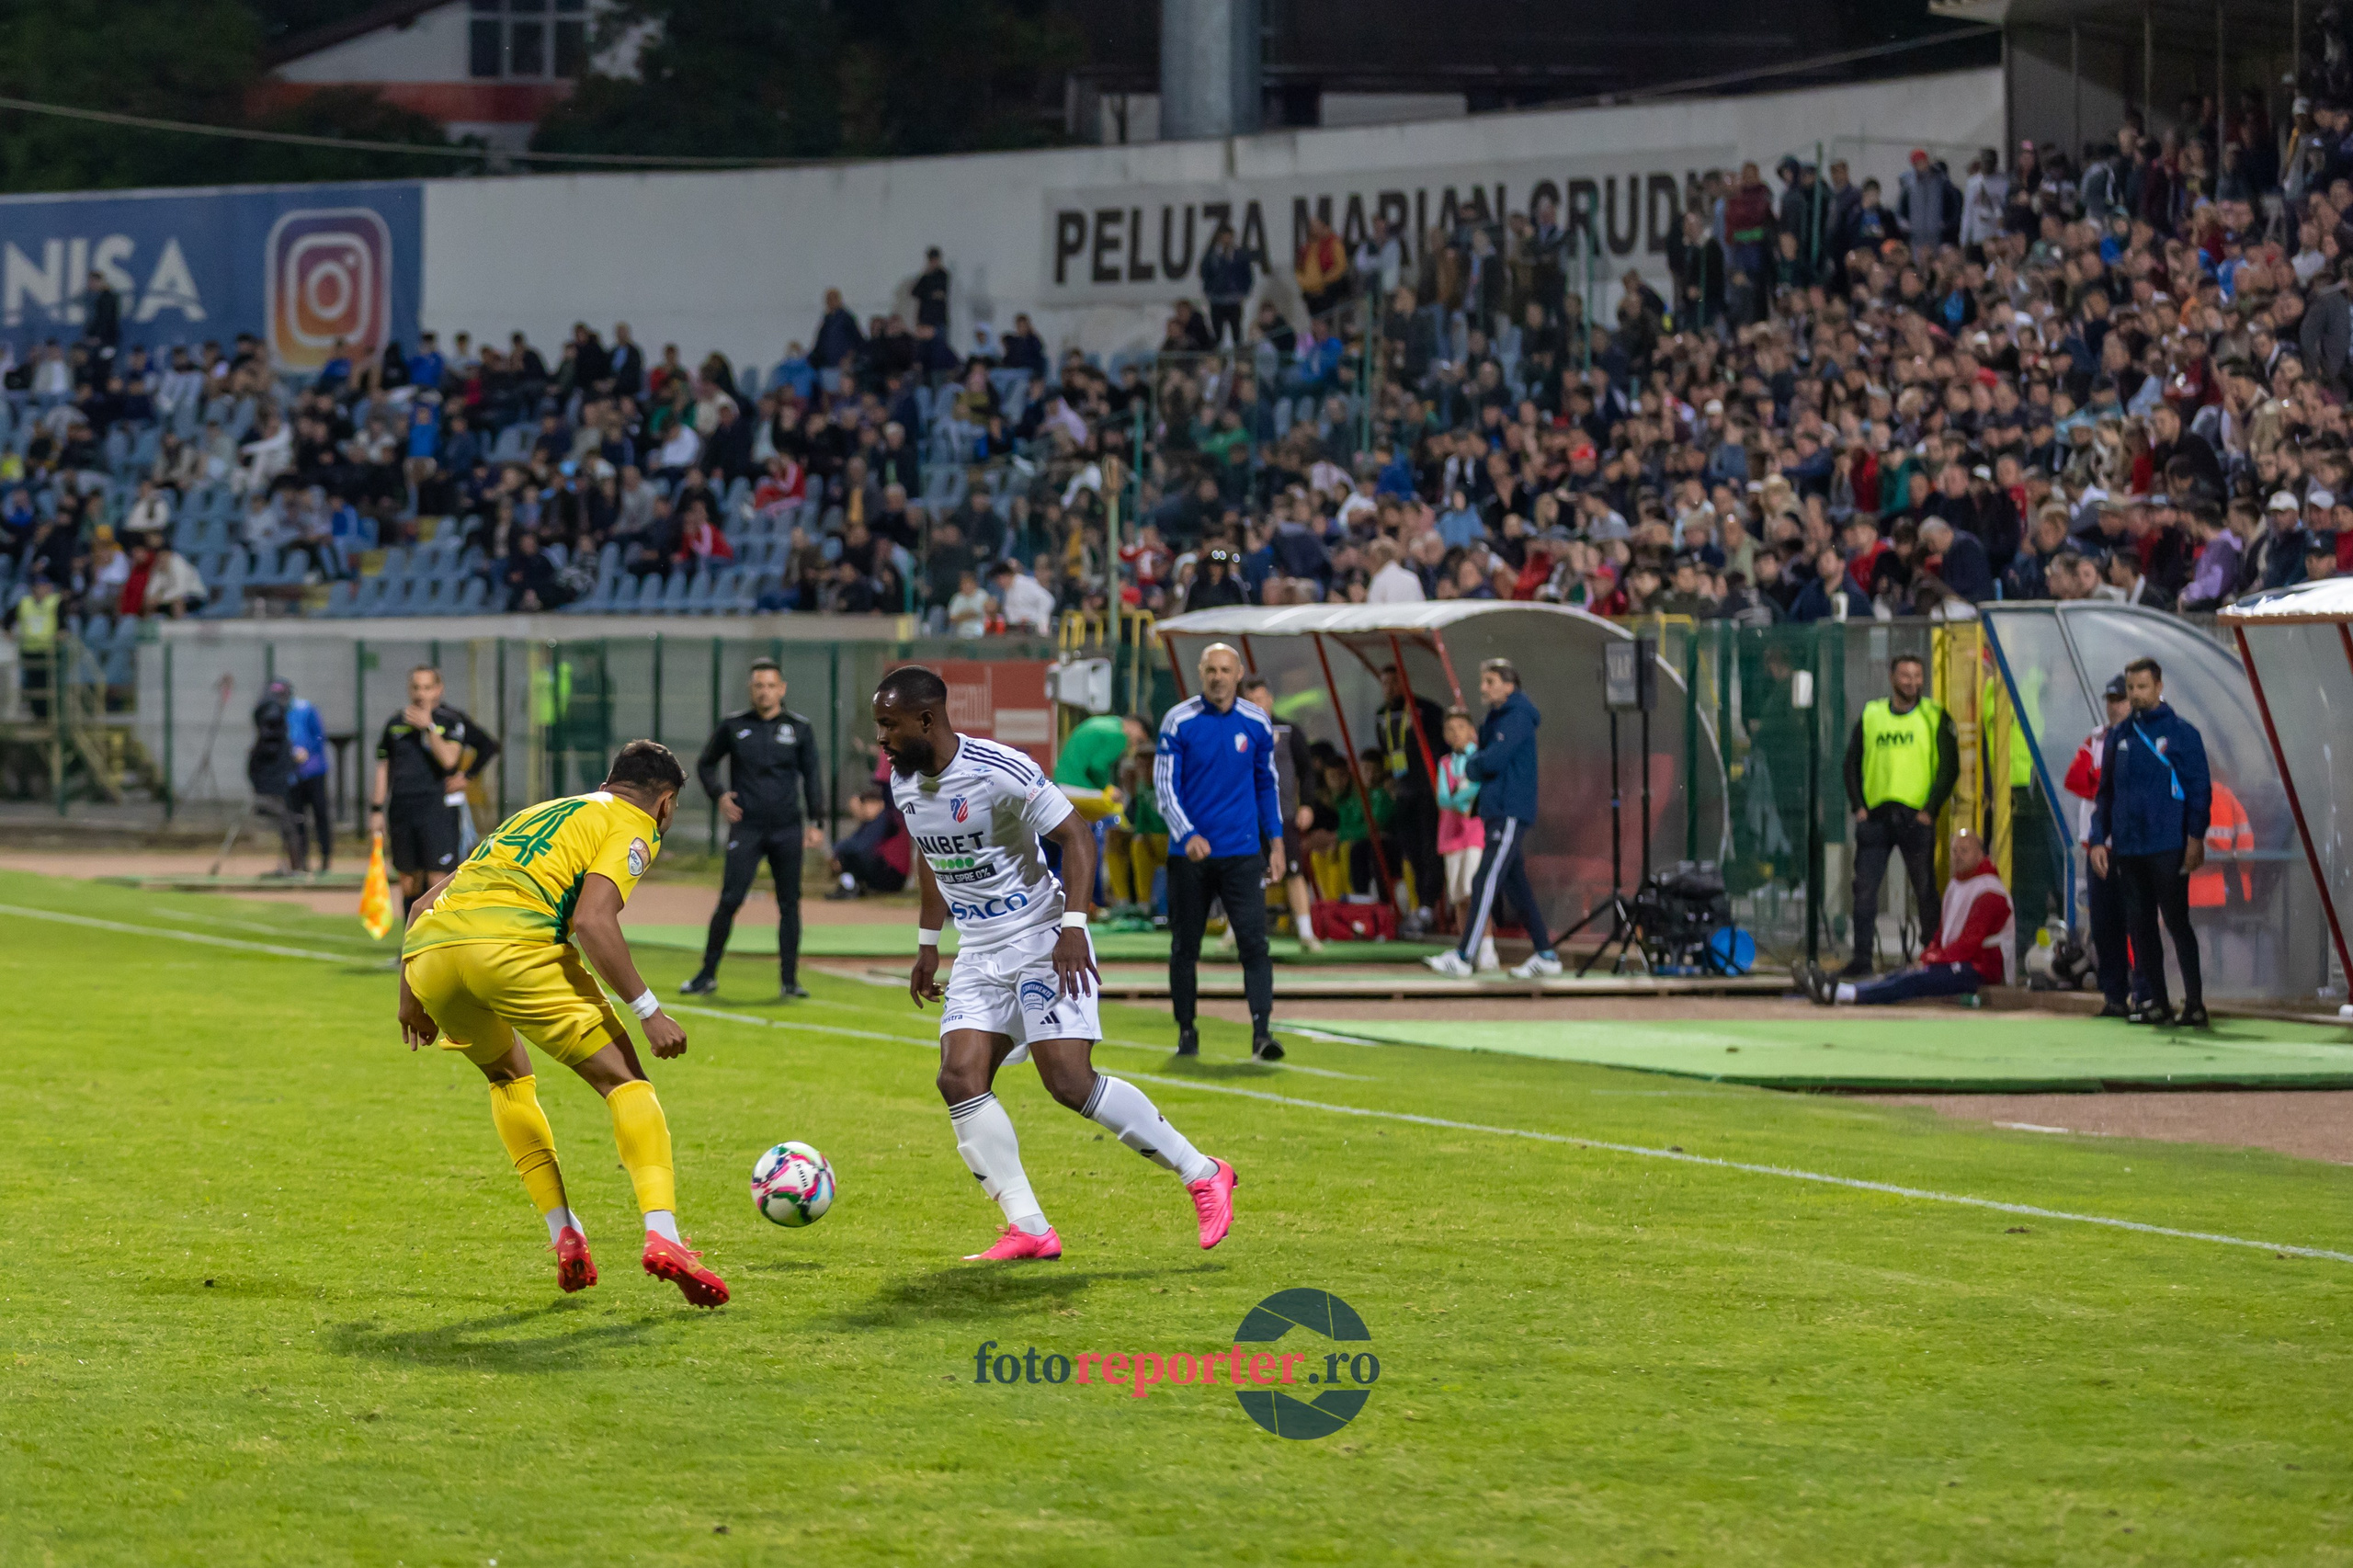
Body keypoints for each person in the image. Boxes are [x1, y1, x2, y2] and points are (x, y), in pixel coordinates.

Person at [878, 665, 1237, 1261]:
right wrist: (926, 940)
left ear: (926, 719)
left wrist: (1074, 927)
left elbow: (1078, 837)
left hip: (1044, 937)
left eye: (889, 726)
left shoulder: (999, 769)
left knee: (1069, 1083)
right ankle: (1030, 1227)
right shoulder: (904, 782)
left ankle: (1202, 1172)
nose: (883, 740)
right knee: (958, 1078)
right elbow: (929, 852)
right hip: (979, 950)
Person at [397, 740, 730, 1308]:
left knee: (507, 1079)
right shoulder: (635, 824)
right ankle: (665, 1237)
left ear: (607, 778)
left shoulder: (538, 812)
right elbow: (593, 919)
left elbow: (420, 903)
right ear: (667, 802)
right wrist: (649, 1012)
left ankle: (565, 1233)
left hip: (431, 955)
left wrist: (409, 998)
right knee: (625, 1082)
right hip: (512, 948)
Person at [1156, 643, 1287, 1060]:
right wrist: (1186, 833)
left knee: (1254, 943)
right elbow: (1164, 787)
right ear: (1201, 672)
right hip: (1188, 856)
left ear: (1239, 674)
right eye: (1211, 669)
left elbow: (1268, 785)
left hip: (1243, 853)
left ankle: (1262, 1033)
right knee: (1185, 947)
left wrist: (1277, 841)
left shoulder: (1257, 722)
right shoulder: (1178, 721)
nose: (1217, 677)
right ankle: (1187, 1031)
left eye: (1225, 670)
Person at [681, 659, 826, 1001]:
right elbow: (705, 764)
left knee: (790, 903)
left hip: (788, 828)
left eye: (771, 685)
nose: (765, 691)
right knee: (730, 899)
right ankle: (706, 974)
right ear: (751, 689)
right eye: (759, 685)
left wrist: (816, 822)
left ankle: (789, 980)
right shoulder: (734, 726)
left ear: (782, 689)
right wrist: (720, 795)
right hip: (748, 827)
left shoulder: (800, 728)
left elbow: (813, 777)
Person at [2088, 657, 2211, 1028]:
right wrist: (2098, 838)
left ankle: (2194, 1004)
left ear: (2159, 687)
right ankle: (2157, 1002)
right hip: (2129, 847)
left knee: (2176, 921)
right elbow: (2105, 794)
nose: (2136, 694)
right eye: (2131, 688)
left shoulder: (2182, 734)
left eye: (2143, 687)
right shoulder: (2119, 736)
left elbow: (2199, 790)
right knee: (2139, 927)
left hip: (2167, 845)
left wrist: (2195, 838)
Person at [1425, 658, 1560, 979]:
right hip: (1497, 810)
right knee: (1518, 888)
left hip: (1509, 810)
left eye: (1490, 681)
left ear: (1509, 685)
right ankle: (1546, 954)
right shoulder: (1498, 718)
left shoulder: (1517, 716)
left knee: (1483, 880)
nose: (1483, 688)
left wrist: (1474, 765)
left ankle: (1464, 956)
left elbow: (1494, 758)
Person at [1841, 653, 1959, 976]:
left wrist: (1930, 809)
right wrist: (1859, 807)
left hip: (1915, 818)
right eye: (1906, 676)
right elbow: (1851, 763)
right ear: (1893, 678)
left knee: (1925, 890)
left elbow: (1949, 767)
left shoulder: (1934, 715)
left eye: (1917, 676)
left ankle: (1932, 957)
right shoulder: (1872, 714)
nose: (1912, 682)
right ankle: (1862, 958)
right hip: (1877, 817)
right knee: (1864, 890)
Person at [1798, 828, 2012, 1005]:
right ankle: (1839, 989)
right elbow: (1943, 933)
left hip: (1980, 969)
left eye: (1964, 851)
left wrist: (1931, 959)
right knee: (1903, 974)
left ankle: (1845, 994)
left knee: (1916, 979)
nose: (1957, 856)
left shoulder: (1989, 892)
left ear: (1980, 854)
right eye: (1954, 851)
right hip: (1960, 962)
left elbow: (1968, 945)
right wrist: (1927, 956)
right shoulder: (1957, 884)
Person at [370, 665, 501, 919]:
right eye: (416, 687)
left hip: (436, 810)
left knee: (437, 881)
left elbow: (451, 760)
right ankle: (410, 946)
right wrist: (376, 809)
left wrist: (430, 729)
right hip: (402, 809)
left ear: (439, 689)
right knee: (409, 882)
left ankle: (437, 948)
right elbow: (383, 767)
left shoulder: (449, 720)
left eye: (427, 687)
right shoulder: (395, 724)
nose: (421, 694)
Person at [2063, 675, 2144, 1017]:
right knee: (2104, 924)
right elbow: (2077, 780)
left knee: (2136, 924)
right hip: (2099, 846)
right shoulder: (2096, 738)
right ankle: (2114, 994)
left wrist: (2101, 781)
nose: (2114, 706)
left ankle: (2145, 993)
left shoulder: (2143, 737)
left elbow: (2127, 786)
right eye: (2111, 699)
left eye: (2121, 699)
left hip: (2132, 846)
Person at [1238, 675, 1323, 955]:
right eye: (1250, 701)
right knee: (1245, 872)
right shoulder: (1237, 730)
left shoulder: (1288, 730)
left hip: (1283, 814)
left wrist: (1307, 804)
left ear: (1270, 700)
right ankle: (1236, 931)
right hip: (1247, 816)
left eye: (1260, 699)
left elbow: (1307, 771)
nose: (1256, 705)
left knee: (1293, 871)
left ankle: (1306, 933)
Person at [1372, 663, 1447, 933]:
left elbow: (1441, 746)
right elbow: (1387, 751)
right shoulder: (1381, 714)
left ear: (1405, 683)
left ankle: (1429, 906)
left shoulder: (1426, 710)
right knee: (1411, 851)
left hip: (1428, 792)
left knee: (1430, 849)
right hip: (1403, 793)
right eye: (1385, 683)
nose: (1389, 689)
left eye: (1394, 682)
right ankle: (1419, 907)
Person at [1434, 707, 1496, 971]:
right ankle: (1465, 949)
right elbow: (1443, 798)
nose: (1455, 733)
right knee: (1459, 895)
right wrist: (1462, 798)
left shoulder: (1480, 759)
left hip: (1474, 833)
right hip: (1450, 835)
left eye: (1460, 727)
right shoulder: (1445, 763)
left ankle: (1487, 948)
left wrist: (1462, 797)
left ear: (1472, 731)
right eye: (1450, 729)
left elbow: (1478, 789)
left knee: (1476, 890)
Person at [246, 682, 305, 876]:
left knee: (289, 824)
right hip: (271, 784)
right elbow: (269, 742)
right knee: (287, 824)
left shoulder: (275, 727)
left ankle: (296, 866)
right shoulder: (272, 718)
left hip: (277, 781)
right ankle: (296, 867)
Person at [279, 678, 334, 875]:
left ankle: (325, 858)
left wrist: (307, 751)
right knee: (297, 818)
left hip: (314, 771)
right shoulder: (276, 712)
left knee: (320, 815)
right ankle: (301, 861)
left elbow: (319, 735)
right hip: (293, 776)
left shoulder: (306, 708)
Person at [827, 783, 910, 898]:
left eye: (871, 803)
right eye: (865, 803)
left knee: (853, 855)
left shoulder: (884, 818)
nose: (866, 808)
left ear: (881, 803)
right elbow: (853, 842)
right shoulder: (870, 823)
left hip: (892, 875)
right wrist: (837, 854)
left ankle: (850, 886)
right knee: (848, 855)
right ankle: (849, 886)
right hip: (886, 872)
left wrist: (837, 850)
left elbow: (861, 846)